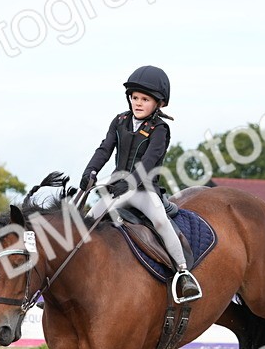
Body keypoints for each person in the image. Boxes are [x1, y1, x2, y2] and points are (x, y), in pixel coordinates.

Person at [80, 65, 200, 301]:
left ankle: (183, 272)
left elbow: (149, 162)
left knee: (160, 221)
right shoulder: (120, 121)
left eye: (145, 99)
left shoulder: (160, 129)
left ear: (159, 103)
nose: (138, 103)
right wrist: (90, 171)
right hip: (117, 189)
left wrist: (129, 183)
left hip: (144, 190)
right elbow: (104, 149)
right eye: (135, 98)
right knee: (89, 221)